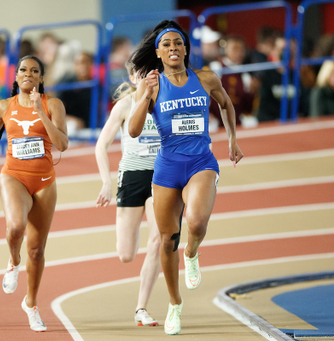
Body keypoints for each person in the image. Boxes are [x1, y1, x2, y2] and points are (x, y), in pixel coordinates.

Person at [128, 20, 243, 335]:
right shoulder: (151, 85)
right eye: (166, 45)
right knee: (166, 241)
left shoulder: (205, 78)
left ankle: (192, 252)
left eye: (178, 43)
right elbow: (134, 130)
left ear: (185, 49)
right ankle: (174, 304)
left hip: (201, 162)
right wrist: (145, 95)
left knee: (195, 223)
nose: (173, 48)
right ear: (159, 53)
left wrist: (232, 139)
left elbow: (226, 104)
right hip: (167, 167)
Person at [0, 55, 68, 332]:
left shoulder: (53, 104)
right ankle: (12, 260)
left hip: (44, 180)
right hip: (14, 176)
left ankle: (31, 304)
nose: (28, 74)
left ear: (41, 78)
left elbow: (62, 144)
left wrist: (40, 112)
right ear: (16, 75)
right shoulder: (2, 106)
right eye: (23, 70)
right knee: (16, 227)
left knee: (36, 250)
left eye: (35, 71)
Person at [95, 62, 163, 327]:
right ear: (133, 76)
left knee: (157, 241)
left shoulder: (166, 101)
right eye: (141, 72)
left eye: (151, 71)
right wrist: (106, 183)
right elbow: (101, 146)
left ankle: (141, 308)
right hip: (132, 177)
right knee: (126, 254)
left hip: (162, 177)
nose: (147, 76)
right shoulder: (125, 105)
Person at [209, 35, 254, 128]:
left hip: (236, 121)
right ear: (225, 50)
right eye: (234, 49)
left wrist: (251, 92)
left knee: (252, 123)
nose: (238, 53)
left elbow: (247, 108)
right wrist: (206, 113)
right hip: (215, 119)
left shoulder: (245, 76)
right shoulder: (216, 68)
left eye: (241, 50)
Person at [58, 51, 94, 133]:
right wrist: (72, 120)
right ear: (75, 65)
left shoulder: (96, 85)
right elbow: (55, 112)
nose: (83, 66)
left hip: (90, 128)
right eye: (79, 63)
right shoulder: (66, 83)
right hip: (71, 126)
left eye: (86, 62)